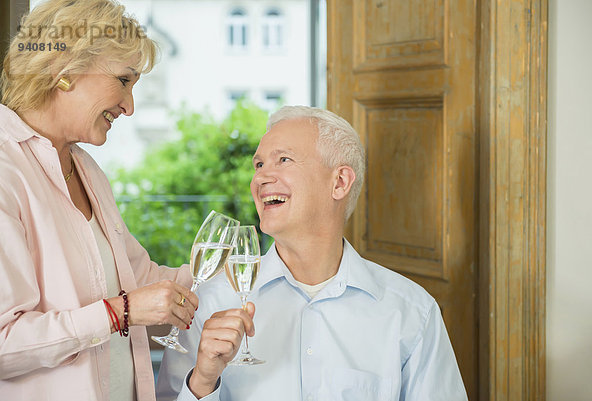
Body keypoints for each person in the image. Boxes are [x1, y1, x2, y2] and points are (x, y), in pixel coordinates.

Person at [156, 105, 468, 400]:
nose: (261, 177)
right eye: (259, 164)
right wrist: (202, 382)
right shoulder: (209, 304)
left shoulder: (411, 312)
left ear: (340, 182)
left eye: (284, 160)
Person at [0, 1, 199, 400]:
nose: (129, 106)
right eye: (124, 80)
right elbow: (5, 343)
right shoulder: (6, 169)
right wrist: (117, 313)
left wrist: (249, 273)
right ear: (65, 71)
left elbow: (141, 283)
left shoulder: (86, 169)